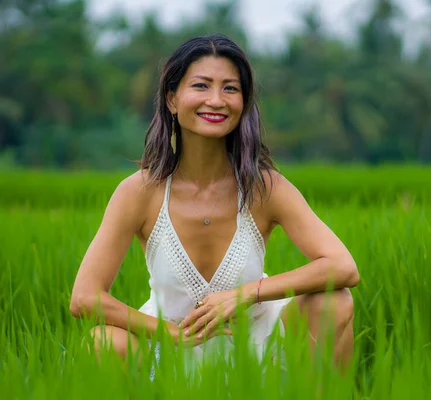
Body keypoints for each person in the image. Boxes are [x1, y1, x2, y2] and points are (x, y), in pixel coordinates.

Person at [69, 34, 360, 372]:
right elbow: (85, 297)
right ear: (172, 100)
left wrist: (247, 293)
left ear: (244, 102)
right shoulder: (139, 192)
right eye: (202, 86)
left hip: (256, 347)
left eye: (230, 89)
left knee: (334, 301)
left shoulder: (264, 187)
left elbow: (343, 267)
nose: (217, 100)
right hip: (170, 346)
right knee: (101, 342)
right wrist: (171, 334)